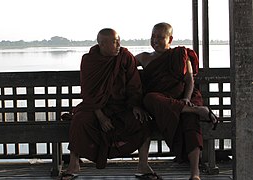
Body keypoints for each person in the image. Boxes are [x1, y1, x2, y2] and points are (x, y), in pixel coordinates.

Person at [60, 28, 161, 180]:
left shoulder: (124, 56)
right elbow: (88, 92)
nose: (118, 45)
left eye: (119, 41)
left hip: (120, 106)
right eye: (114, 42)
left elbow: (134, 85)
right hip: (95, 107)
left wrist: (135, 105)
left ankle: (143, 164)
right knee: (79, 120)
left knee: (143, 120)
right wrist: (100, 116)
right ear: (102, 44)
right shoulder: (89, 60)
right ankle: (73, 164)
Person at [135, 22, 218, 180]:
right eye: (153, 36)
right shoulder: (144, 57)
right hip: (161, 104)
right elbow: (123, 67)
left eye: (160, 37)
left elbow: (189, 81)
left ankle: (195, 173)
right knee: (150, 98)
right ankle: (197, 110)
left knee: (190, 121)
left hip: (182, 98)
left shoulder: (180, 55)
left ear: (170, 39)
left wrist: (186, 98)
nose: (155, 40)